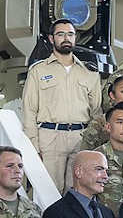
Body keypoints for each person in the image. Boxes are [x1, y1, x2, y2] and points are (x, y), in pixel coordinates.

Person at [22, 19, 103, 192]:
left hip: (80, 138)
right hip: (49, 139)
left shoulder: (89, 73)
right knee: (48, 192)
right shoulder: (38, 71)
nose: (66, 38)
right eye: (61, 34)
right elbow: (29, 111)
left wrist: (92, 144)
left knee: (78, 192)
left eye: (70, 34)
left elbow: (97, 112)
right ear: (52, 39)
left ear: (75, 38)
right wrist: (34, 147)